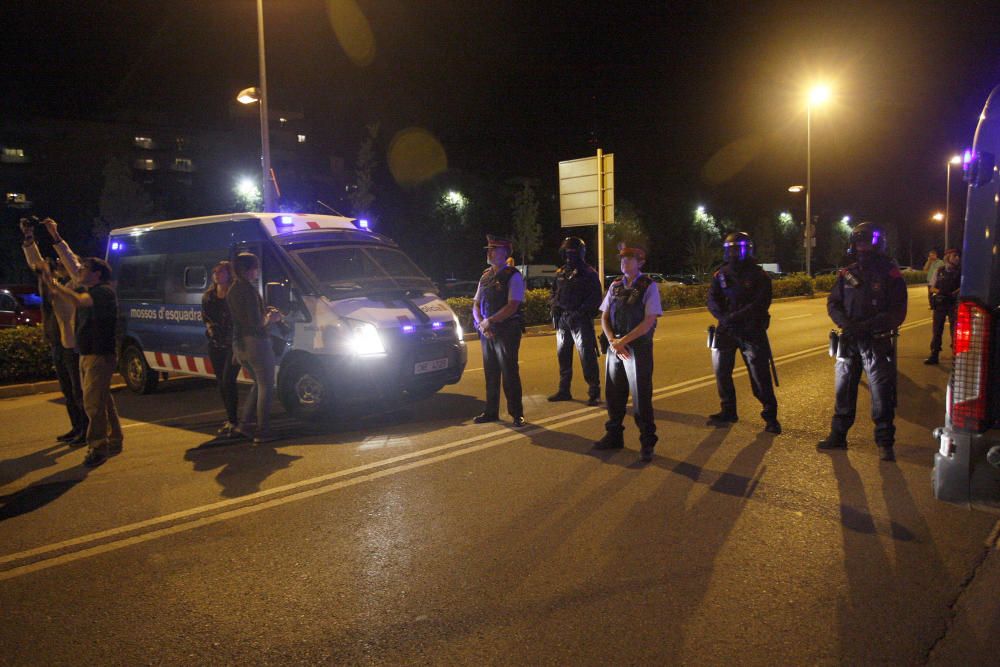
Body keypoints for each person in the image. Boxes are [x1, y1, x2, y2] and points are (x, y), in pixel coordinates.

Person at [818, 222, 908, 462]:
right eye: (858, 243)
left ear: (877, 244)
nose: (862, 247)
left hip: (876, 341)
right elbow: (833, 303)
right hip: (849, 341)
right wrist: (846, 325)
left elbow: (897, 312)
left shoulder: (890, 273)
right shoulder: (848, 272)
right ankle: (838, 436)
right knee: (844, 391)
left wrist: (866, 327)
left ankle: (885, 443)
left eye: (866, 242)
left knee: (881, 393)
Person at [42, 219, 123, 467]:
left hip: (99, 354)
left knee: (92, 403)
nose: (80, 271)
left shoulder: (102, 292)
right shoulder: (93, 290)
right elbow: (77, 297)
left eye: (84, 268)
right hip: (88, 353)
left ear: (97, 274)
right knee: (102, 399)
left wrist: (55, 285)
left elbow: (81, 301)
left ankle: (98, 447)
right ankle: (115, 438)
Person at [20, 219, 87, 445]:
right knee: (67, 391)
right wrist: (29, 237)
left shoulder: (76, 285)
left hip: (73, 344)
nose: (57, 263)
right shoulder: (54, 284)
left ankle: (86, 429)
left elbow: (72, 265)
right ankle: (76, 426)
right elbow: (37, 265)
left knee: (79, 391)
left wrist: (55, 235)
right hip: (57, 341)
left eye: (61, 261)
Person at [706, 232, 781, 434]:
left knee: (759, 377)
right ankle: (728, 411)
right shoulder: (720, 274)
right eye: (730, 249)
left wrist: (735, 317)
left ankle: (770, 417)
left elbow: (760, 303)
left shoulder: (759, 275)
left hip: (751, 331)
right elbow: (712, 300)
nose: (733, 253)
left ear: (747, 250)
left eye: (737, 249)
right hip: (726, 330)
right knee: (722, 374)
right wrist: (723, 318)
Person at [595, 246, 662, 463]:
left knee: (641, 397)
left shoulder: (648, 286)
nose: (624, 262)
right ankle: (614, 435)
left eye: (629, 259)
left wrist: (622, 342)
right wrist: (614, 341)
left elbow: (649, 321)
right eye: (622, 259)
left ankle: (647, 442)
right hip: (616, 347)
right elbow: (604, 317)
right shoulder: (615, 286)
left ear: (640, 262)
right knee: (614, 394)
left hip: (637, 347)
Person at [226, 252, 282, 444]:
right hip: (256, 342)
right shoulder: (247, 290)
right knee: (267, 385)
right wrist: (271, 318)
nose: (257, 271)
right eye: (255, 267)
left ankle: (244, 425)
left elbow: (243, 318)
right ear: (247, 270)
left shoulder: (233, 289)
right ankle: (262, 430)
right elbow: (256, 322)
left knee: (258, 384)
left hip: (240, 344)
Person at [472, 235, 526, 427]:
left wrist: (490, 321)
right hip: (487, 331)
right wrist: (481, 324)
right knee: (491, 373)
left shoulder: (514, 276)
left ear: (505, 253)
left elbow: (513, 305)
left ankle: (516, 413)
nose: (490, 252)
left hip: (506, 331)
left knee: (509, 372)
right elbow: (476, 304)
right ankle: (491, 411)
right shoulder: (485, 276)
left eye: (494, 249)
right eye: (489, 249)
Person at [548, 236, 603, 406]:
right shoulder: (561, 273)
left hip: (580, 321)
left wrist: (580, 312)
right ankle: (564, 390)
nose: (569, 255)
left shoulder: (589, 273)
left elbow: (595, 299)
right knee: (563, 356)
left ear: (580, 253)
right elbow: (554, 293)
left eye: (572, 252)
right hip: (563, 320)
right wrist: (554, 307)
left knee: (587, 356)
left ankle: (594, 391)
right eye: (567, 252)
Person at [202, 260, 241, 435]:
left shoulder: (234, 294)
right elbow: (205, 317)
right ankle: (230, 418)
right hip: (215, 344)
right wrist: (209, 328)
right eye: (215, 272)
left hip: (233, 344)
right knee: (221, 383)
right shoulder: (209, 296)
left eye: (221, 272)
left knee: (228, 380)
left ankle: (234, 420)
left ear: (229, 274)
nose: (217, 275)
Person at [924, 248, 961, 365]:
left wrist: (954, 293)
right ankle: (934, 355)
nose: (957, 258)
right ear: (947, 257)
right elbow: (932, 287)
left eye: (958, 256)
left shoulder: (960, 272)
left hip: (953, 304)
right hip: (940, 304)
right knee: (937, 330)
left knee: (955, 331)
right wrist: (941, 292)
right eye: (954, 256)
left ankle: (956, 357)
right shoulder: (939, 271)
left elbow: (963, 286)